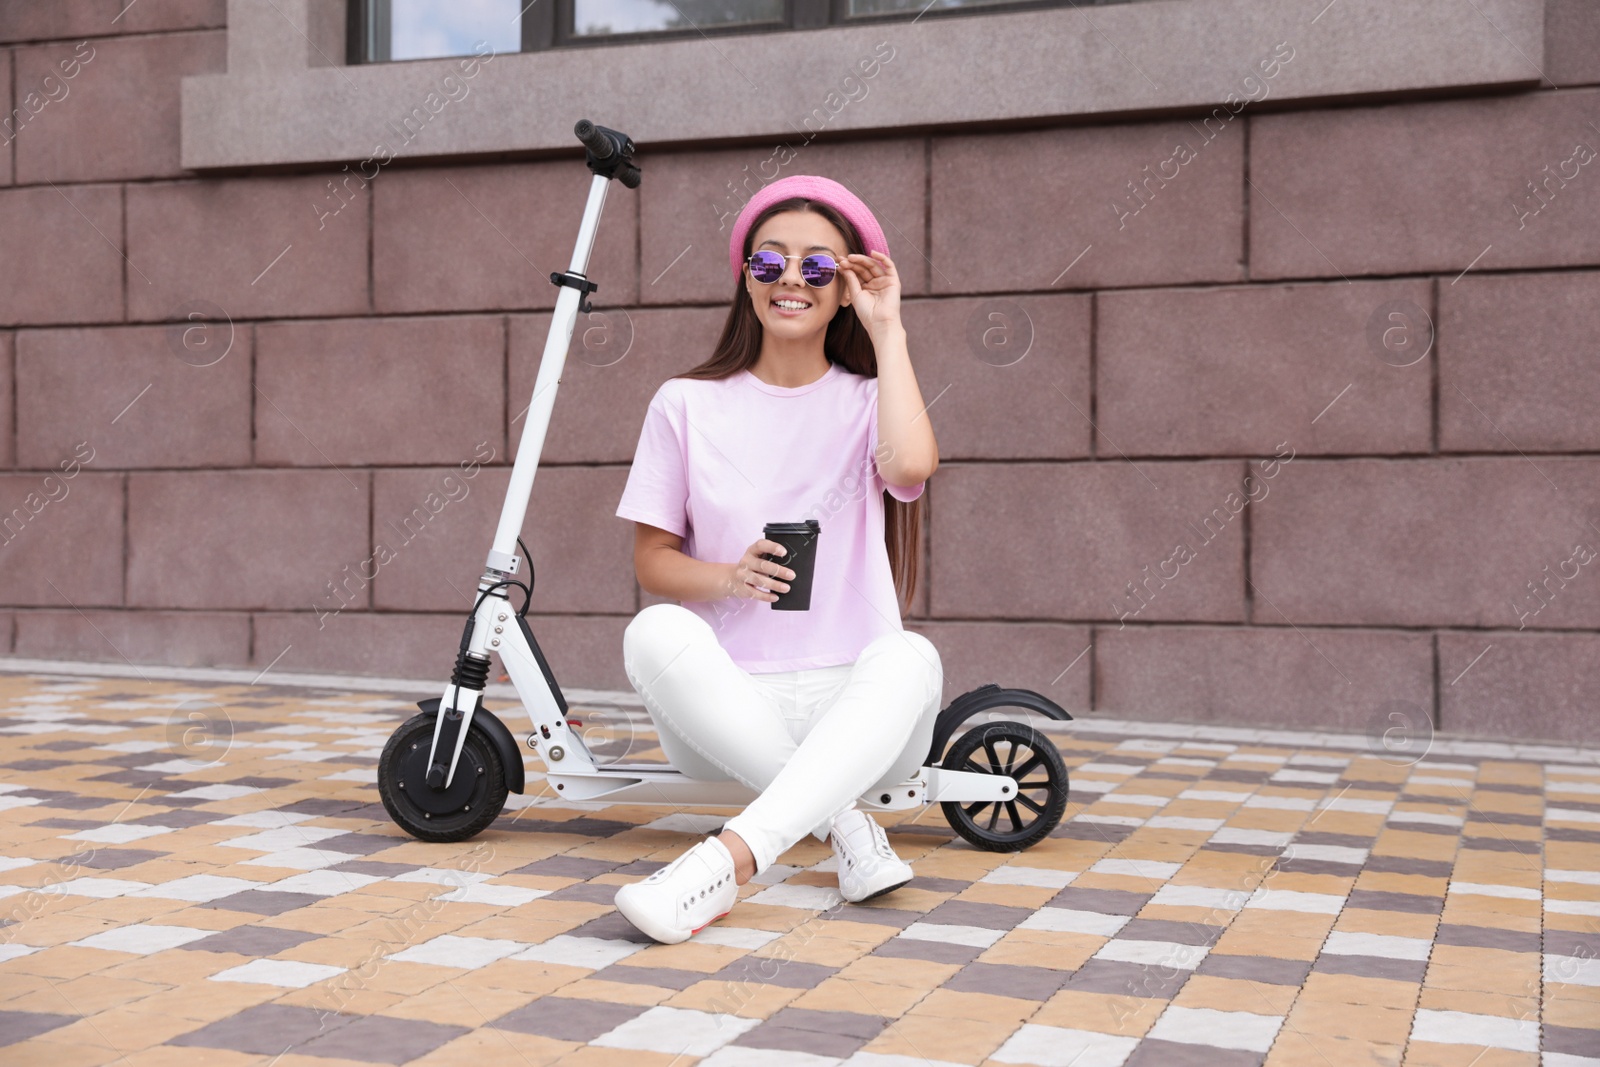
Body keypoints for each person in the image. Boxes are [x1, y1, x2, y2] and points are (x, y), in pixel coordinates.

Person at [610, 174, 944, 944]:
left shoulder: (869, 399)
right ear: (746, 279)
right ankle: (848, 829)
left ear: (844, 288)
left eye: (819, 267)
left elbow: (910, 470)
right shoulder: (684, 404)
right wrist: (726, 576)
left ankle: (723, 863)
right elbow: (653, 562)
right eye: (770, 264)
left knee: (910, 656)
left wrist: (889, 331)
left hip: (858, 714)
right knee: (653, 632)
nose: (791, 279)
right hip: (729, 708)